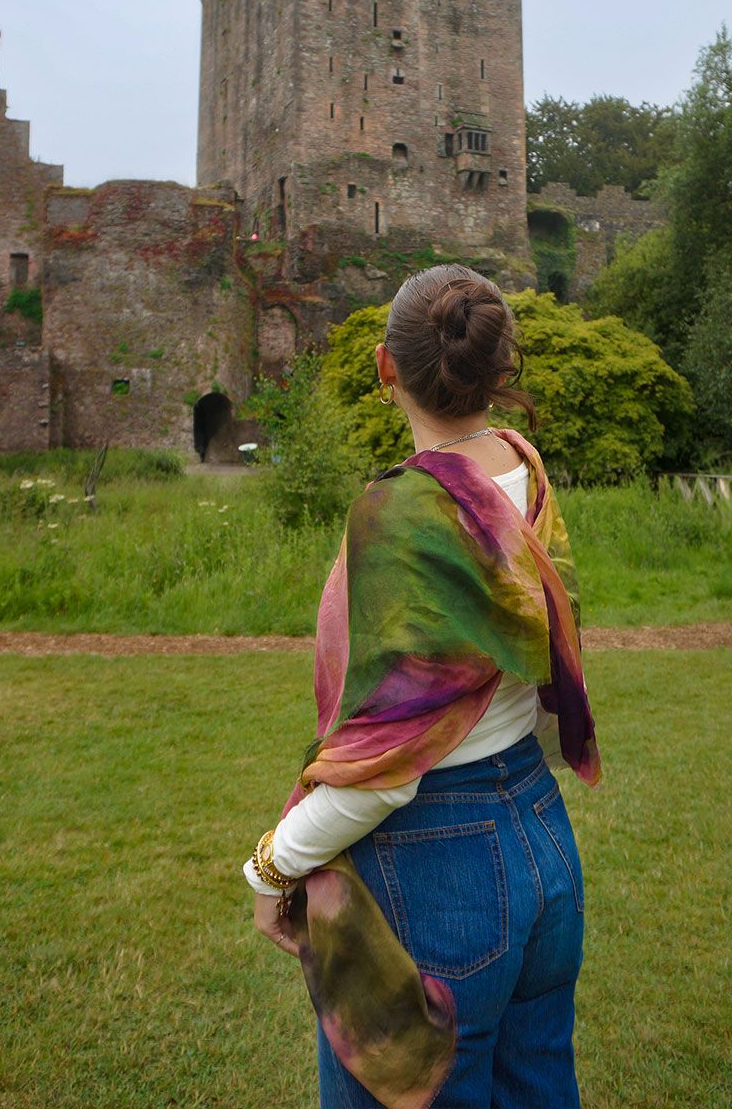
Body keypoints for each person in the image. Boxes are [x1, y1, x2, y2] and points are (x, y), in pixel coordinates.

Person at [244, 264, 601, 1109]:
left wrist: (273, 865)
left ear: (384, 367)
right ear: (497, 366)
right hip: (540, 836)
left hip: (438, 866)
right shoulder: (523, 464)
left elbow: (391, 763)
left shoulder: (400, 515)